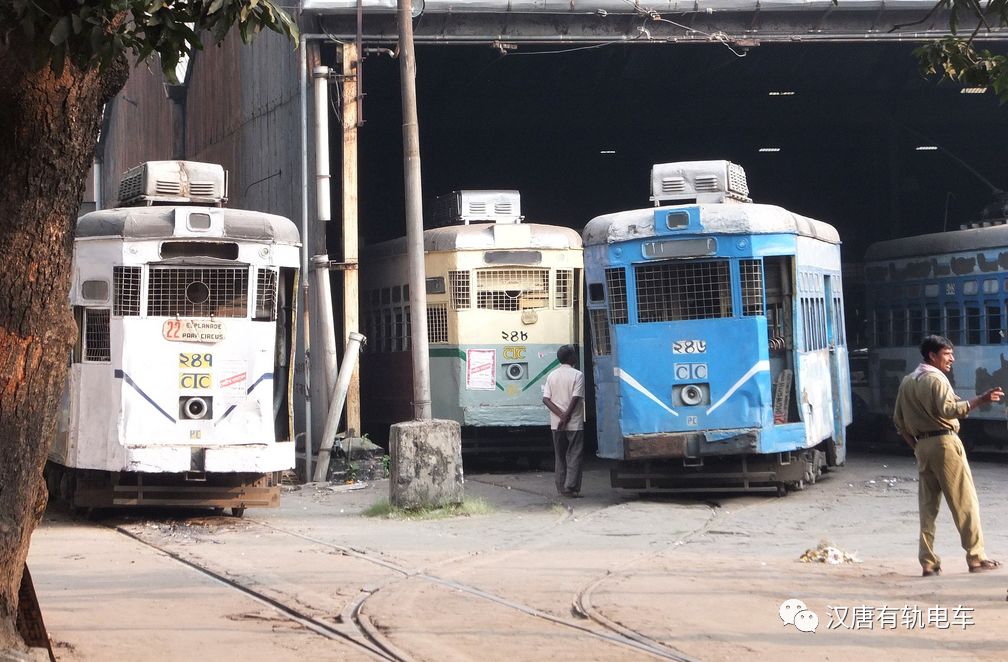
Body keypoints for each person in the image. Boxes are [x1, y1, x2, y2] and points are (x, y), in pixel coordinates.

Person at [893, 334, 1003, 577]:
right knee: (965, 503)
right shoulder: (936, 379)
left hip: (923, 447)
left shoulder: (908, 381)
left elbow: (899, 422)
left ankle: (928, 562)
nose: (952, 359)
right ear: (932, 356)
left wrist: (917, 447)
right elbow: (949, 409)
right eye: (947, 354)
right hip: (945, 443)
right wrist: (980, 400)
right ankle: (976, 557)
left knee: (927, 508)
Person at [542, 344, 585, 498]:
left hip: (556, 424)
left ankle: (560, 486)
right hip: (574, 423)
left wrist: (560, 416)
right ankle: (571, 487)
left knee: (560, 455)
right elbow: (576, 398)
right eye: (573, 354)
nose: (575, 357)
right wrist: (566, 416)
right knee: (574, 454)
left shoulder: (552, 375)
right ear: (569, 357)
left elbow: (545, 399)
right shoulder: (577, 375)